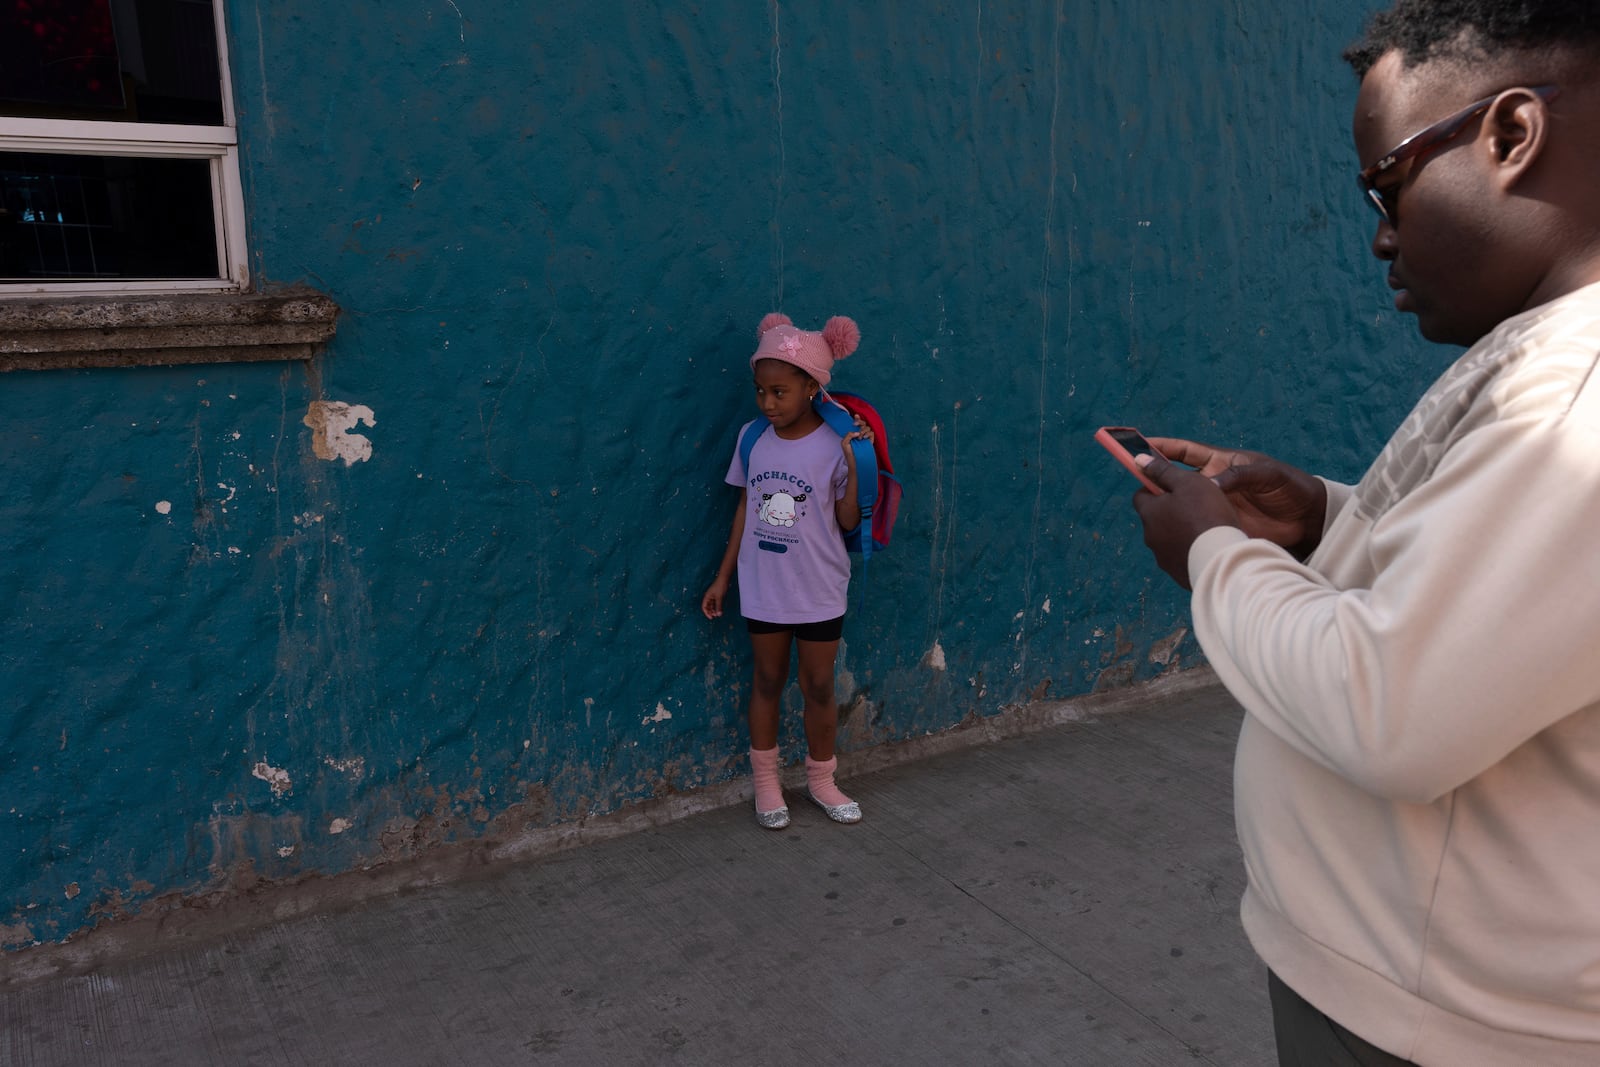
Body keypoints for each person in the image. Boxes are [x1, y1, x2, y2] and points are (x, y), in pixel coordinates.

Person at [1125, 3, 1600, 1064]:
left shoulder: (1579, 392)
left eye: (1388, 187)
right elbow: (1500, 608)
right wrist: (1329, 522)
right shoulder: (1557, 353)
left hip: (1435, 1018)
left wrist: (1214, 556)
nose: (1382, 235)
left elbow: (1393, 711)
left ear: (1510, 136)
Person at [702, 312, 874, 830]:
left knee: (820, 685)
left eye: (780, 392)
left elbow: (846, 520)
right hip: (765, 586)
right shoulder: (753, 439)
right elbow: (745, 509)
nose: (768, 403)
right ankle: (767, 784)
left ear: (812, 387)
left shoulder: (837, 444)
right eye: (761, 391)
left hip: (821, 586)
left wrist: (853, 466)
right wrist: (723, 577)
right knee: (768, 679)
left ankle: (821, 780)